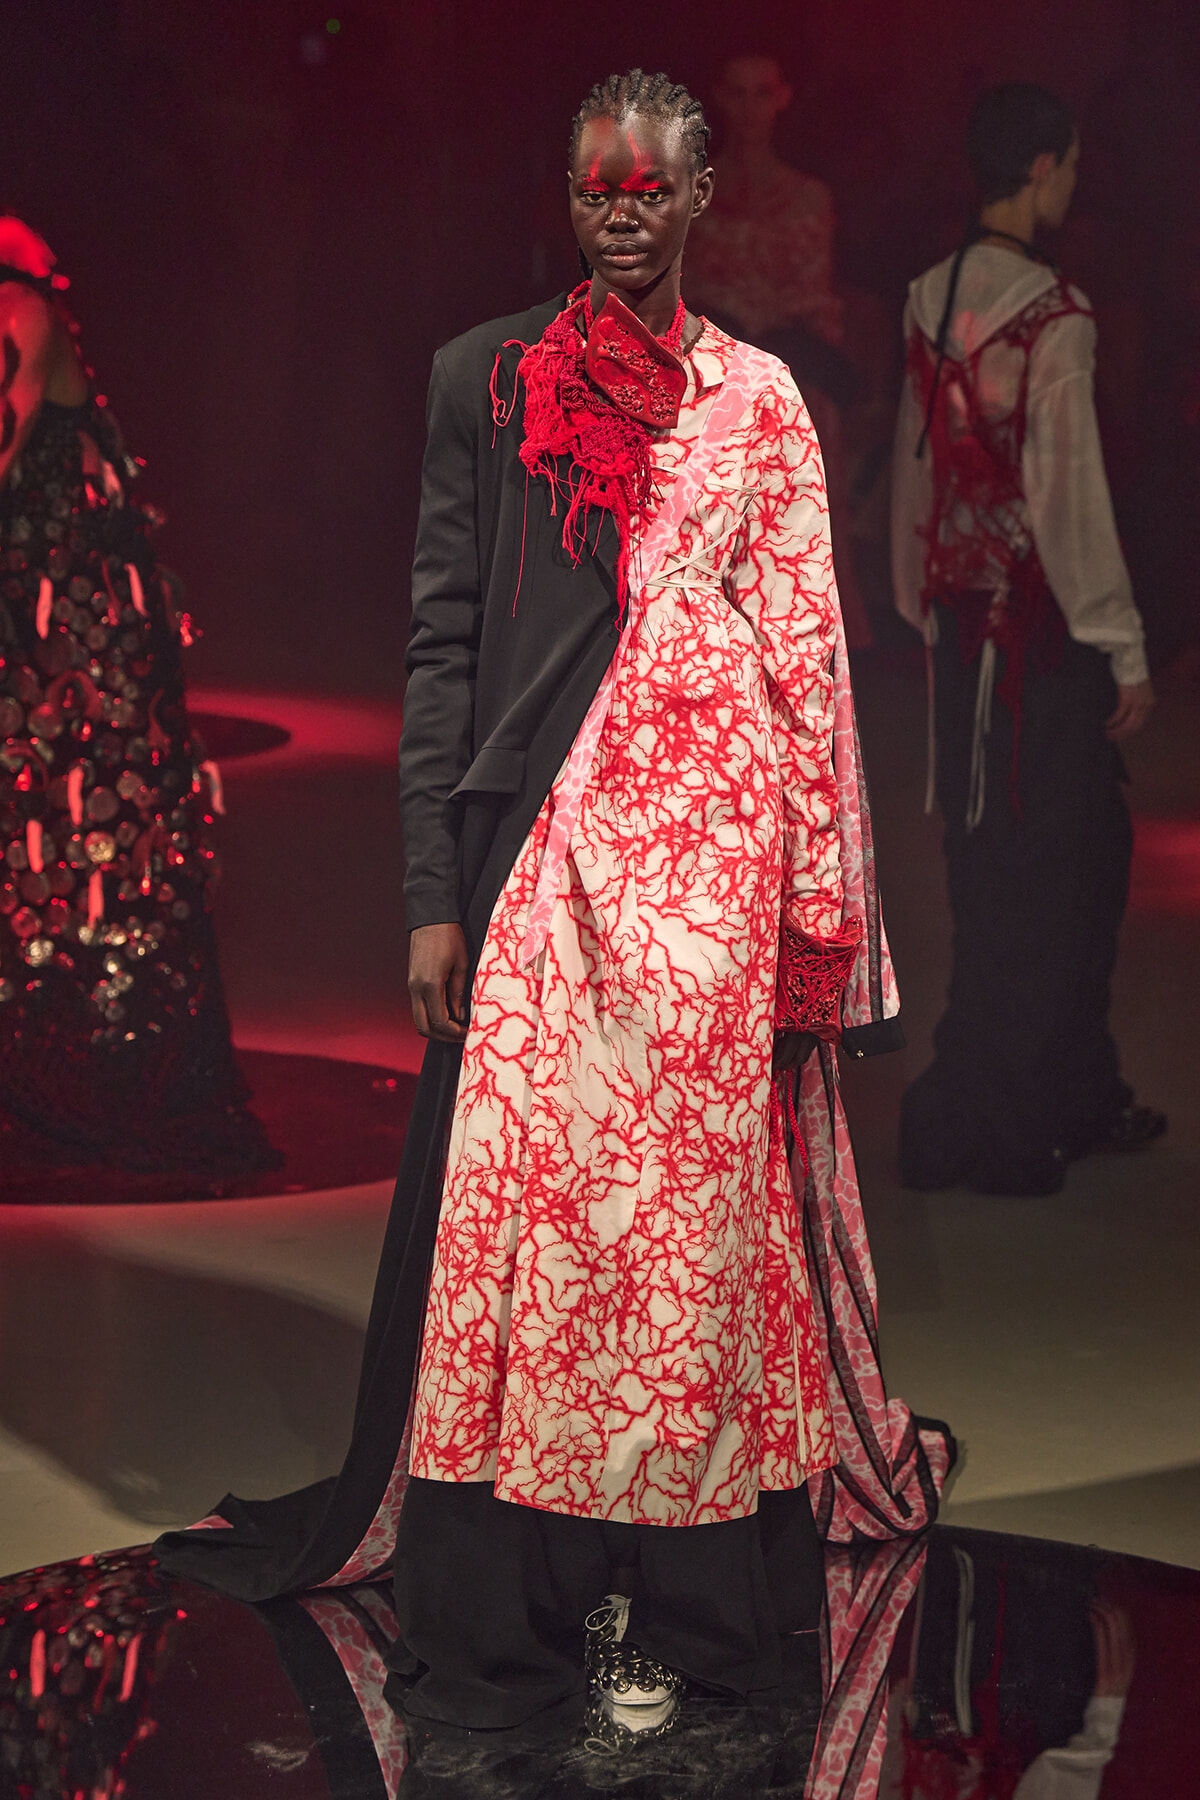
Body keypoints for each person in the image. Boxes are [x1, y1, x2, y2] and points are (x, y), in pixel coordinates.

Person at [156, 71, 949, 1736]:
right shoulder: (488, 380)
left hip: (720, 885)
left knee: (700, 1249)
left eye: (654, 186)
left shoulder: (765, 400)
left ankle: (697, 1608)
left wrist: (825, 914)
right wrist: (431, 893)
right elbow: (439, 642)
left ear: (701, 194)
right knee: (537, 1245)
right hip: (551, 873)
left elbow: (813, 658)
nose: (625, 210)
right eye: (600, 186)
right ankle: (524, 1607)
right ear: (566, 194)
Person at [891, 84, 1165, 1198]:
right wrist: (1126, 646)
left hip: (962, 625)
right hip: (1039, 638)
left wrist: (914, 597)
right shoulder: (1057, 314)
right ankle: (1010, 1107)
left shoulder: (928, 293)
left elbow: (918, 459)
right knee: (1058, 871)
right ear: (1046, 167)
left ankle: (1054, 1090)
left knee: (1002, 860)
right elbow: (1068, 497)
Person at [0, 219, 277, 1182]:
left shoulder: (24, 313)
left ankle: (93, 1045)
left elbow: (16, 425)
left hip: (71, 603)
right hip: (52, 591)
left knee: (77, 797)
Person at [685, 52, 874, 648]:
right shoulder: (692, 191)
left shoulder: (807, 195)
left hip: (789, 372)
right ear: (719, 98)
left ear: (782, 98)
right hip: (710, 373)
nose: (748, 109)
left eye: (760, 93)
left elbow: (810, 297)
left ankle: (810, 642)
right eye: (736, 94)